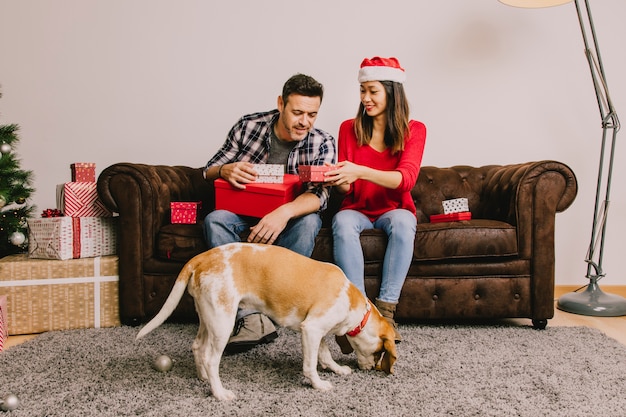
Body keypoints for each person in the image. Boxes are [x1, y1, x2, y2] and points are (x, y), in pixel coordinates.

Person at [203, 73, 336, 352]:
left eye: (312, 114)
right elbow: (209, 169)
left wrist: (283, 213)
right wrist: (224, 169)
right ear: (281, 104)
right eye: (298, 112)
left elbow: (320, 195)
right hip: (245, 218)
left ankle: (279, 304)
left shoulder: (322, 141)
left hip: (288, 224)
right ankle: (250, 318)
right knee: (215, 220)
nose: (305, 122)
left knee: (310, 221)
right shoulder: (249, 125)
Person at [327, 57, 426, 343]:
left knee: (404, 224)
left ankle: (386, 310)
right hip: (356, 208)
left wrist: (359, 171)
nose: (365, 98)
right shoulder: (349, 128)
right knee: (342, 222)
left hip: (393, 209)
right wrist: (342, 183)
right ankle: (358, 311)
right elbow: (346, 189)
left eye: (373, 91)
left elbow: (405, 180)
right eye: (362, 91)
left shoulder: (414, 130)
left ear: (392, 92)